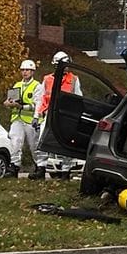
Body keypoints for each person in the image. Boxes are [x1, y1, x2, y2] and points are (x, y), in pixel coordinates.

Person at [33, 51, 83, 180]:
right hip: (49, 113)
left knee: (65, 143)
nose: (67, 67)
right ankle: (41, 168)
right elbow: (41, 99)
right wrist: (36, 115)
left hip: (65, 115)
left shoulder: (73, 79)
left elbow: (78, 98)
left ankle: (65, 171)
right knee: (42, 140)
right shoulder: (47, 79)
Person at [2, 60, 41, 179]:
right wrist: (8, 103)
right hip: (17, 119)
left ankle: (39, 167)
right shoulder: (17, 85)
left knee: (34, 145)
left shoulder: (37, 86)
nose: (25, 72)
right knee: (15, 143)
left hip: (30, 120)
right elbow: (11, 100)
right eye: (23, 70)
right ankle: (14, 167)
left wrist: (21, 107)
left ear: (32, 72)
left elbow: (37, 105)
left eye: (27, 70)